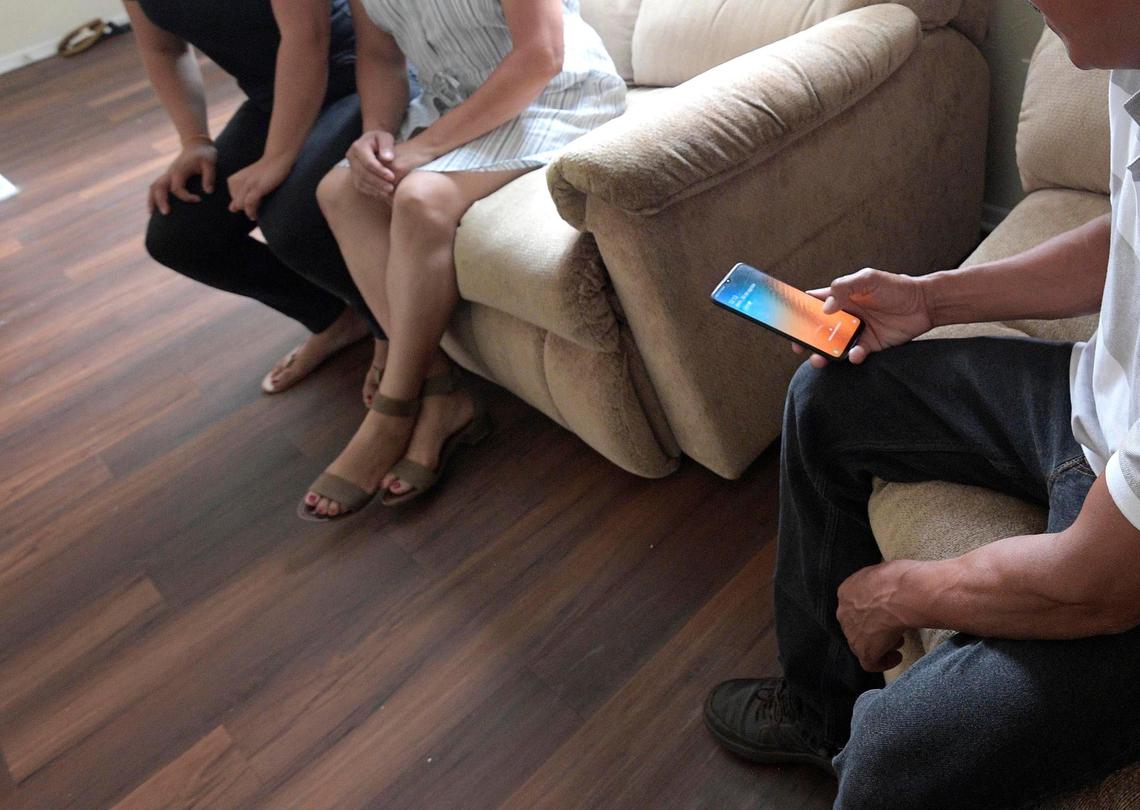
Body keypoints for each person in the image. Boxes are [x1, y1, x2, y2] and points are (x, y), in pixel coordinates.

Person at [702, 2, 1140, 807]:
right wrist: (931, 300)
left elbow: (1101, 581)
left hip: (1126, 556)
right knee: (827, 397)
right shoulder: (1129, 60)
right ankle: (817, 709)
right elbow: (1128, 237)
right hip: (1097, 404)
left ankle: (855, 741)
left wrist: (898, 590)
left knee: (893, 758)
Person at [299, 0, 625, 519]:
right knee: (339, 191)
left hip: (551, 97)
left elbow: (540, 55)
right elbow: (380, 55)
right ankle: (441, 394)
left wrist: (424, 149)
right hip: (451, 107)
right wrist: (375, 131)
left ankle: (393, 407)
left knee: (419, 199)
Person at [125, 0, 407, 400]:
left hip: (355, 78)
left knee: (290, 221)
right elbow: (162, 48)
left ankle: (389, 330)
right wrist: (194, 140)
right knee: (179, 237)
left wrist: (277, 157)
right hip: (271, 99)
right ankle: (334, 318)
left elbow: (307, 37)